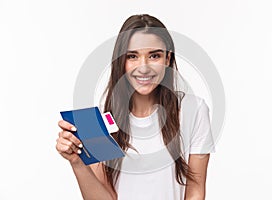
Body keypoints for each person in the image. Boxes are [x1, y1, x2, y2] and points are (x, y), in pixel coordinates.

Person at [56, 14, 215, 200]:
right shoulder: (96, 121)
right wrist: (76, 161)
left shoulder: (193, 110)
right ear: (121, 62)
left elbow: (195, 191)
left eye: (154, 55)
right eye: (132, 56)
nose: (144, 67)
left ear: (167, 59)